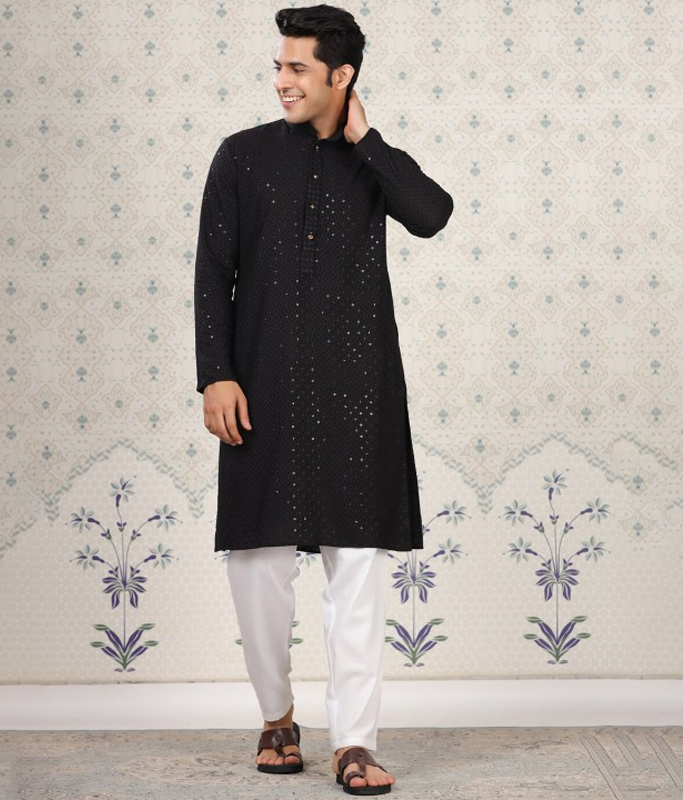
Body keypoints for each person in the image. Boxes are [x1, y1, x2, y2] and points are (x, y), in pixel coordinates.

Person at [194, 4, 453, 794]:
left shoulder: (372, 163)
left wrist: (368, 143)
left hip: (356, 397)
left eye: (297, 67)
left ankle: (355, 744)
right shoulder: (241, 157)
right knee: (257, 569)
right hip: (261, 390)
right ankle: (277, 718)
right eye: (279, 65)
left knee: (359, 575)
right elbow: (213, 271)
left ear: (342, 75)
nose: (281, 80)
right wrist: (215, 374)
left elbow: (432, 214)